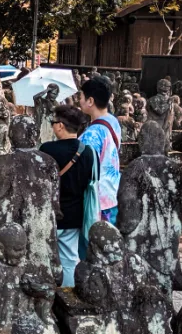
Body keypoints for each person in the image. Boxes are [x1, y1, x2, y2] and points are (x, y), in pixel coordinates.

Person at [40, 105, 97, 287]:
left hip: (49, 214)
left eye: (53, 122)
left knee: (42, 256)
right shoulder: (88, 152)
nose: (53, 126)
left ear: (61, 126)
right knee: (69, 258)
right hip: (74, 214)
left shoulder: (47, 150)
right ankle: (67, 296)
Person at [78, 76, 121, 224]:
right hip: (112, 192)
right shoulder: (113, 121)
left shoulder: (92, 134)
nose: (79, 100)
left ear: (90, 101)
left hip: (97, 200)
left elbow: (84, 168)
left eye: (81, 96)